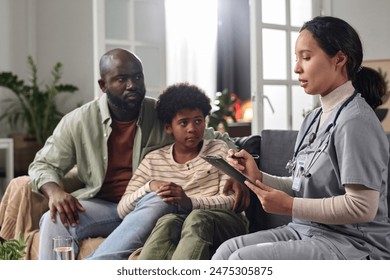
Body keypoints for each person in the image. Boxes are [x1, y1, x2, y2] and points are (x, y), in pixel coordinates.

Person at [26, 48, 244, 259]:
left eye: (138, 77)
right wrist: (54, 192)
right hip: (103, 205)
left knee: (164, 196)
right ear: (103, 85)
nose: (132, 85)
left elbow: (220, 141)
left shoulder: (162, 114)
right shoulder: (78, 121)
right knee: (53, 220)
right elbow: (42, 165)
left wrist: (237, 174)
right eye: (121, 79)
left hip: (150, 205)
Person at [212, 16, 390, 260]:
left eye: (306, 57)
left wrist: (289, 206)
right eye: (296, 59)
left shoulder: (356, 122)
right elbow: (302, 186)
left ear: (339, 59)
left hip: (354, 245)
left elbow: (363, 207)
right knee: (226, 252)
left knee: (241, 261)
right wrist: (258, 177)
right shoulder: (312, 119)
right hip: (306, 230)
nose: (297, 68)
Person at [86, 82, 248, 259]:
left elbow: (232, 200)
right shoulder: (154, 160)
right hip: (182, 223)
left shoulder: (219, 149)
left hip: (224, 221)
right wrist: (150, 186)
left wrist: (189, 202)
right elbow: (123, 210)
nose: (192, 128)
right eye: (183, 123)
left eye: (198, 121)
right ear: (168, 127)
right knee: (166, 222)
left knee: (196, 219)